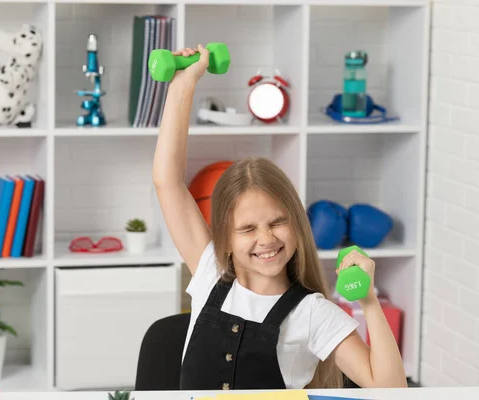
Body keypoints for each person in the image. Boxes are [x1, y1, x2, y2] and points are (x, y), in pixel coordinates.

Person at [152, 44, 407, 391]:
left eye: (276, 222)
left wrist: (369, 302)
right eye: (248, 228)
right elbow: (167, 181)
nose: (267, 239)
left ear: (297, 224)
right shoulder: (210, 272)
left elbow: (390, 392)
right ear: (226, 237)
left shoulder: (314, 313)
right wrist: (183, 84)